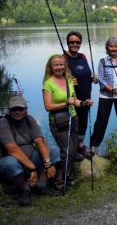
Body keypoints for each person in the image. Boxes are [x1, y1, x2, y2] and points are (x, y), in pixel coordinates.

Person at [0, 96, 63, 206]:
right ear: (8, 110)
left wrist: (47, 164)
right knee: (10, 162)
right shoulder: (2, 123)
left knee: (54, 150)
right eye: (14, 109)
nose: (18, 112)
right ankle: (25, 190)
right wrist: (32, 168)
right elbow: (12, 149)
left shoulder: (29, 120)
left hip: (28, 162)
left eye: (21, 109)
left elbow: (40, 142)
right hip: (5, 165)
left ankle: (41, 186)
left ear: (25, 109)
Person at [42, 54, 93, 191]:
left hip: (73, 118)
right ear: (50, 67)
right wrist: (65, 103)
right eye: (56, 65)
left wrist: (83, 103)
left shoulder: (68, 79)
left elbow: (74, 100)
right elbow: (48, 107)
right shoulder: (48, 83)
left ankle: (68, 176)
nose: (59, 67)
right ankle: (58, 179)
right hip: (58, 122)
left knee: (73, 149)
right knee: (67, 150)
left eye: (61, 64)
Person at [63, 31, 98, 160]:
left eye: (77, 42)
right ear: (67, 43)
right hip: (72, 98)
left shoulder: (82, 56)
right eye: (72, 42)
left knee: (83, 122)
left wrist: (93, 78)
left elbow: (84, 74)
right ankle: (71, 150)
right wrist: (68, 81)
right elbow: (56, 79)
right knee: (73, 123)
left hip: (85, 95)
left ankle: (80, 146)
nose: (75, 44)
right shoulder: (63, 58)